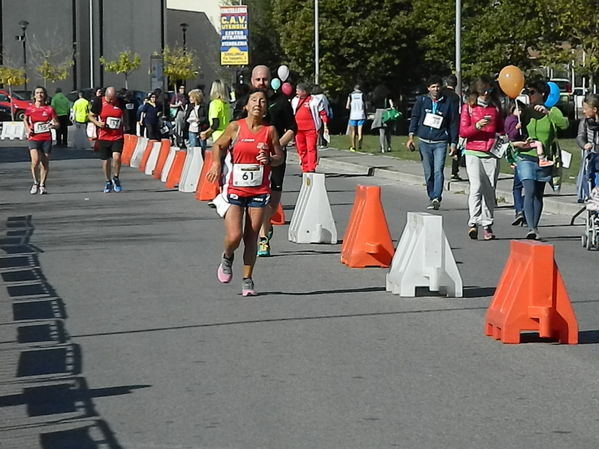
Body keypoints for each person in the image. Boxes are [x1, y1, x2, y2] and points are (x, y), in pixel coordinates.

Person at [206, 89, 285, 296]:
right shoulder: (235, 128)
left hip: (259, 191)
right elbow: (218, 145)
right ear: (246, 106)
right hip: (236, 189)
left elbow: (280, 157)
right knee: (234, 235)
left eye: (262, 101)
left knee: (251, 238)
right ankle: (227, 255)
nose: (258, 104)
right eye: (254, 100)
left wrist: (270, 159)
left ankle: (247, 279)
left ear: (266, 108)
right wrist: (216, 164)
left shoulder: (270, 131)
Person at [246, 65, 297, 258]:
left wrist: (277, 146)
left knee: (273, 202)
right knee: (256, 199)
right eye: (258, 80)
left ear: (270, 81)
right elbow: (236, 126)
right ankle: (263, 238)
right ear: (252, 81)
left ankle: (265, 225)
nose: (261, 83)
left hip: (274, 158)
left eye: (265, 80)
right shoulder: (247, 102)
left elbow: (292, 128)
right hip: (251, 159)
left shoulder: (280, 102)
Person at [511, 80, 568, 240]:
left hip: (544, 157)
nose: (529, 96)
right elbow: (511, 127)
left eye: (532, 92)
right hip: (525, 155)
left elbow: (564, 124)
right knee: (528, 189)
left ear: (541, 94)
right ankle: (531, 227)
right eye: (527, 93)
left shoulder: (552, 110)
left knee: (538, 193)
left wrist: (548, 113)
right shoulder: (524, 110)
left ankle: (535, 226)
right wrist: (518, 117)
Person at [459, 77, 504, 240]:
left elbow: (501, 129)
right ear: (477, 92)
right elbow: (463, 132)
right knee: (476, 186)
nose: (486, 94)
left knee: (489, 189)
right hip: (473, 151)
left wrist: (505, 139)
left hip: (491, 152)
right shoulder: (468, 108)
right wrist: (477, 126)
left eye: (489, 91)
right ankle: (473, 222)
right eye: (483, 92)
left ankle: (487, 224)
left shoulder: (495, 107)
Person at [407, 75, 459, 210]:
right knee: (428, 172)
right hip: (424, 141)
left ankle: (437, 197)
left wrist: (453, 143)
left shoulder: (447, 102)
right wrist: (411, 136)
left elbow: (453, 123)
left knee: (438, 170)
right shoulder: (422, 100)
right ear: (428, 88)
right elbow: (415, 117)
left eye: (437, 86)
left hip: (440, 141)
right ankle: (431, 195)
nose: (436, 89)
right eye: (433, 87)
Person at [88, 86, 126, 193]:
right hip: (104, 136)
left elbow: (126, 113)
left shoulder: (120, 102)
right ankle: (107, 181)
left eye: (113, 98)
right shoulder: (99, 102)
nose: (111, 101)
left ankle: (116, 177)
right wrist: (98, 123)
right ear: (105, 95)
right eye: (109, 98)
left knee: (117, 157)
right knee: (106, 161)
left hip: (117, 136)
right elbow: (90, 116)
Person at [23, 86, 59, 195]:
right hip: (34, 137)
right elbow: (25, 119)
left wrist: (53, 126)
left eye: (42, 93)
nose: (39, 95)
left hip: (46, 138)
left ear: (45, 95)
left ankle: (42, 184)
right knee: (35, 161)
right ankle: (35, 182)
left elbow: (57, 123)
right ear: (34, 96)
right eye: (37, 93)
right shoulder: (30, 108)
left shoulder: (49, 109)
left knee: (45, 162)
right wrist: (28, 128)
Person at [291, 82, 328, 173]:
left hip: (311, 129)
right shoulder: (294, 100)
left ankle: (311, 167)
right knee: (301, 149)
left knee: (311, 148)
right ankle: (305, 167)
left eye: (298, 90)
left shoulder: (314, 100)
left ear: (304, 91)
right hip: (298, 129)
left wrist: (325, 126)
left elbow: (322, 113)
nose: (297, 92)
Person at [504, 100, 527, 227]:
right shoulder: (512, 120)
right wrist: (517, 129)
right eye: (519, 110)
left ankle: (520, 210)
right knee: (519, 186)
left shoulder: (511, 119)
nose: (520, 113)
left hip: (517, 155)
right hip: (518, 153)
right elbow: (511, 136)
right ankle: (520, 209)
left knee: (519, 186)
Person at [576, 93, 599, 202]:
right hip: (591, 156)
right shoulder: (584, 122)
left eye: (586, 109)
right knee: (588, 177)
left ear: (594, 109)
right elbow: (580, 136)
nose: (584, 111)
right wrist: (585, 144)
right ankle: (587, 196)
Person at [442, 75, 464, 180]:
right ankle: (454, 171)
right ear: (455, 85)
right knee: (455, 147)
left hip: (440, 123)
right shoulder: (455, 97)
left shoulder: (441, 93)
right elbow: (457, 112)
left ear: (446, 83)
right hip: (452, 124)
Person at [200, 80, 230, 146]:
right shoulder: (226, 104)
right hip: (227, 134)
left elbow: (215, 124)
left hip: (218, 136)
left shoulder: (214, 103)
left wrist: (206, 133)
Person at [370, 84, 395, 153]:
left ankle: (382, 148)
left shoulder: (375, 96)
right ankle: (389, 146)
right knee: (388, 131)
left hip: (379, 112)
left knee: (382, 132)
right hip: (387, 112)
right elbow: (391, 104)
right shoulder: (388, 94)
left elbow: (372, 104)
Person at [184, 88, 209, 156]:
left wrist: (200, 120)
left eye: (191, 97)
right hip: (191, 130)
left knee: (202, 148)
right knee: (193, 147)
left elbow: (207, 117)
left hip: (201, 130)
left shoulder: (204, 106)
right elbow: (186, 117)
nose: (190, 99)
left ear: (196, 97)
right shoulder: (190, 106)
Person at [346, 84, 366, 151]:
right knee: (360, 132)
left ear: (354, 88)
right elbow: (365, 105)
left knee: (353, 132)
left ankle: (353, 146)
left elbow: (347, 106)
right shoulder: (362, 95)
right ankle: (360, 146)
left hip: (353, 115)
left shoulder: (350, 95)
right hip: (361, 114)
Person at [311, 84, 331, 148]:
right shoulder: (323, 96)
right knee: (323, 129)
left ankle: (317, 142)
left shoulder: (311, 97)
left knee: (318, 129)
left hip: (314, 115)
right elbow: (326, 104)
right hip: (323, 114)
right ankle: (323, 143)